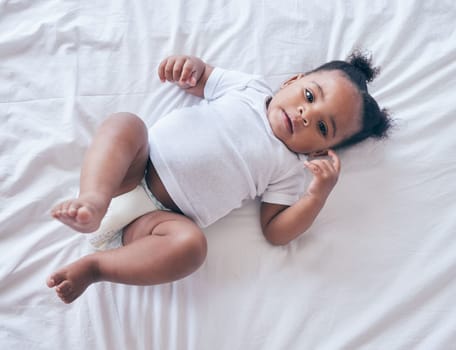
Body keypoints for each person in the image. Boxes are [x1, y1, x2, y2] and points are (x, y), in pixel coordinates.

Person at [47, 51, 391, 303]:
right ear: (292, 81)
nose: (305, 114)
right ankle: (93, 200)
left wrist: (317, 195)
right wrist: (189, 67)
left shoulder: (289, 168)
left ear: (321, 150)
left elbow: (276, 232)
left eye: (321, 126)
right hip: (136, 165)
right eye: (310, 96)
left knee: (192, 248)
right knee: (126, 125)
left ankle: (95, 268)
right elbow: (201, 79)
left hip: (161, 221)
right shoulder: (249, 89)